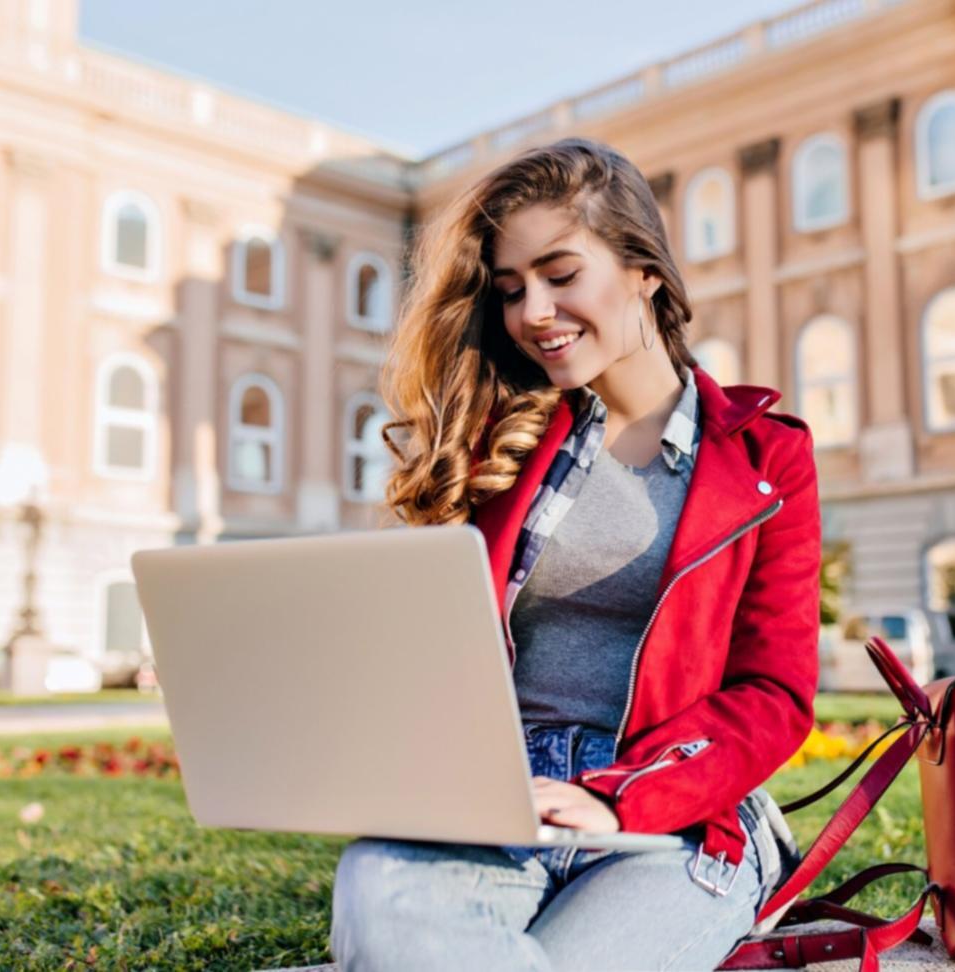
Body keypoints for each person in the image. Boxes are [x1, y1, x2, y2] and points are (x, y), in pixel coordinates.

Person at [330, 137, 820, 971]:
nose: (533, 313)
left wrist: (619, 797)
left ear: (644, 271)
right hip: (491, 803)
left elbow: (773, 694)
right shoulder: (494, 445)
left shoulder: (765, 457)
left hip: (669, 812)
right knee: (383, 895)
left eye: (561, 275)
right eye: (513, 290)